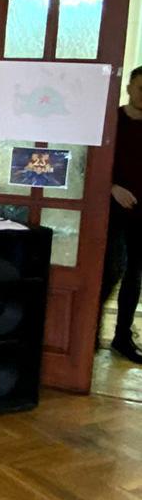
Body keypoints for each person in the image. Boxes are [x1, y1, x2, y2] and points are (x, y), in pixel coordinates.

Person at [100, 66, 142, 363]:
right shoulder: (111, 122)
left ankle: (122, 337)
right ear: (129, 88)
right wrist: (112, 187)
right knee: (108, 270)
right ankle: (88, 333)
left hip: (141, 215)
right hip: (109, 211)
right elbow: (89, 165)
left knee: (134, 274)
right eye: (141, 88)